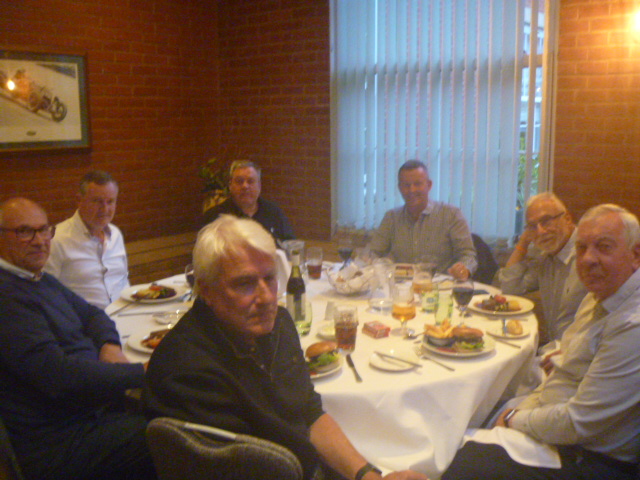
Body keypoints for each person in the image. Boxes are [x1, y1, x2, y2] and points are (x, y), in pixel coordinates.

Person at [143, 215, 428, 480]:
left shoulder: (277, 324)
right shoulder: (187, 372)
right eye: (244, 284)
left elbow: (308, 412)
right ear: (206, 290)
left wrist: (367, 475)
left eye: (269, 278)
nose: (267, 297)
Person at [442, 204, 640, 480]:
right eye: (582, 248)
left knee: (454, 462)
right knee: (459, 422)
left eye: (604, 247)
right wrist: (523, 409)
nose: (588, 259)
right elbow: (508, 289)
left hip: (587, 457)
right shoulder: (598, 294)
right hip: (554, 417)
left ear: (636, 255)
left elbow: (579, 423)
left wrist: (514, 418)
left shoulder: (632, 323)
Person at [0, 198, 156, 480]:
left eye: (44, 230)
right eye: (25, 231)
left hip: (90, 413)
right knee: (171, 436)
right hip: (58, 441)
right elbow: (59, 376)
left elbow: (93, 314)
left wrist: (109, 345)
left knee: (171, 412)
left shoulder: (39, 279)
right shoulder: (7, 296)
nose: (40, 241)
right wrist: (142, 373)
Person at [499, 192, 588, 348]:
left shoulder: (589, 255)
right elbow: (510, 288)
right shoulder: (545, 257)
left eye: (546, 221)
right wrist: (523, 243)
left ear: (567, 219)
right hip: (553, 349)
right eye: (533, 226)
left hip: (580, 353)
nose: (540, 231)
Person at [368, 160, 476, 280]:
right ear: (399, 188)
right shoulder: (391, 218)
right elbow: (374, 253)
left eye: (418, 184)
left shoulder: (451, 215)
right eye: (406, 185)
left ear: (429, 185)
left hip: (440, 287)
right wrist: (372, 263)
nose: (412, 190)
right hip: (401, 287)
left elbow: (468, 256)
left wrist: (463, 269)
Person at [44, 170, 129, 309]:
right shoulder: (56, 239)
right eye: (97, 201)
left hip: (126, 313)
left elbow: (123, 280)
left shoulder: (115, 234)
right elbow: (47, 294)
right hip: (84, 320)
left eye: (110, 201)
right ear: (79, 200)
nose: (105, 209)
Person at [202, 160, 295, 243]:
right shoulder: (215, 217)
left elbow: (291, 246)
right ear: (230, 186)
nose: (245, 186)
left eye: (250, 181)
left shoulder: (274, 213)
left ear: (259, 186)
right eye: (239, 181)